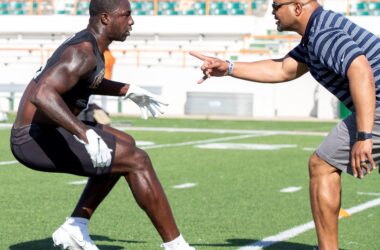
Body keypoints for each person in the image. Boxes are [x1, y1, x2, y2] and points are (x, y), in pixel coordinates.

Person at [190, 0, 380, 249]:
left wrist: (364, 136)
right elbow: (283, 69)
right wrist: (228, 68)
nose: (272, 11)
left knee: (322, 164)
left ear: (297, 7)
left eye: (276, 5)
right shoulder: (316, 34)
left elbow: (361, 71)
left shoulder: (323, 34)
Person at [10, 0, 194, 249]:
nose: (131, 21)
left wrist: (127, 90)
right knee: (137, 159)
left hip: (51, 129)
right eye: (126, 15)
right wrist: (83, 131)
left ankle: (76, 226)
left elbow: (85, 80)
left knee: (125, 144)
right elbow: (42, 95)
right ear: (106, 18)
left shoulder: (89, 45)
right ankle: (176, 245)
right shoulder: (82, 52)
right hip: (33, 138)